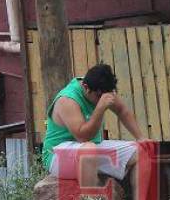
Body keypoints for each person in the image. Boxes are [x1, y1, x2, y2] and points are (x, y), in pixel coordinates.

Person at [41, 63, 145, 191]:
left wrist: (140, 138)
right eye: (98, 97)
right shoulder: (67, 100)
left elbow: (122, 110)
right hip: (58, 156)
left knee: (143, 151)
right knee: (89, 150)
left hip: (91, 151)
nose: (100, 100)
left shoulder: (100, 88)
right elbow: (83, 136)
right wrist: (100, 108)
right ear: (86, 88)